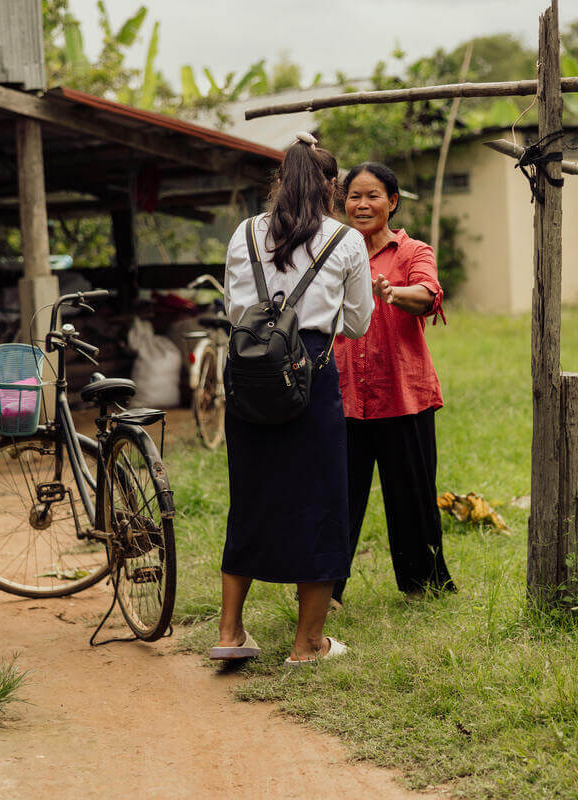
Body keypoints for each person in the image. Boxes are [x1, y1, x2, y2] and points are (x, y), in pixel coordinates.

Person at [210, 133, 373, 665]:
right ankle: (307, 644)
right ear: (331, 187)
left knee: (251, 497)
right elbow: (357, 320)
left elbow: (236, 311)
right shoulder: (345, 242)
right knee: (322, 503)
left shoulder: (245, 232)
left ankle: (231, 633)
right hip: (310, 375)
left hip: (249, 372)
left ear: (280, 181)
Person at [332, 162, 455, 604]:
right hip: (344, 395)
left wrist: (392, 293)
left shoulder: (413, 251)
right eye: (354, 196)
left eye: (373, 196)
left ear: (393, 202)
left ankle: (423, 587)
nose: (362, 204)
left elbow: (428, 294)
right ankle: (326, 590)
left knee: (413, 496)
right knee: (338, 499)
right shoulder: (332, 251)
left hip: (404, 393)